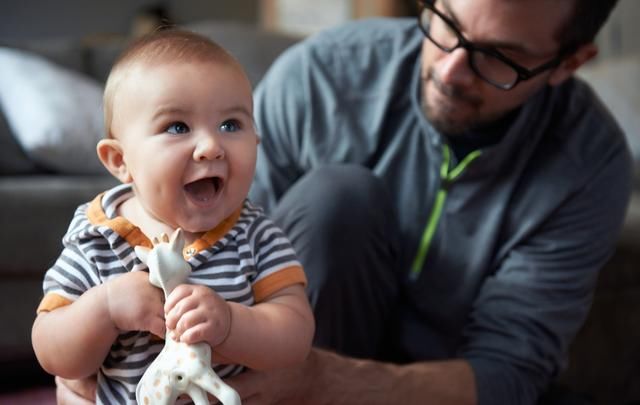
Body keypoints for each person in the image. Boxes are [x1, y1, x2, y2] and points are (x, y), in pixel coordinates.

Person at [58, 0, 632, 404]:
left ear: (569, 63)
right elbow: (217, 250)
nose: (451, 69)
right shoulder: (325, 74)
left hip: (423, 382)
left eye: (498, 57)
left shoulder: (588, 161)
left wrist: (328, 381)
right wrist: (81, 351)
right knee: (340, 197)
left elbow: (509, 373)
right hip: (272, 366)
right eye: (446, 23)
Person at [32, 29, 314, 404]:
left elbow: (295, 336)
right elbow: (52, 351)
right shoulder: (97, 240)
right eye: (177, 127)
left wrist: (230, 324)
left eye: (231, 125)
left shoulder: (257, 236)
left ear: (257, 142)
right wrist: (106, 309)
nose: (211, 146)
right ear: (120, 161)